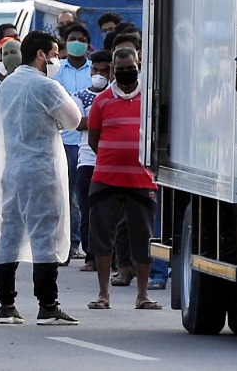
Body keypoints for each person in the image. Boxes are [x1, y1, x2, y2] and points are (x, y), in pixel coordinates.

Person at [0, 30, 83, 326]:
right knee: (45, 235)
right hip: (40, 167)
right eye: (55, 53)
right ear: (41, 54)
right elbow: (74, 120)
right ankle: (47, 304)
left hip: (12, 167)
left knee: (10, 233)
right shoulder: (47, 86)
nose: (58, 59)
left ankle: (6, 303)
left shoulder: (8, 85)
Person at [86, 47, 160, 311]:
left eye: (131, 67)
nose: (127, 72)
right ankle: (103, 294)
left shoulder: (150, 100)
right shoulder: (102, 100)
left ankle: (142, 295)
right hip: (106, 178)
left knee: (143, 239)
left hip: (142, 180)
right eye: (121, 69)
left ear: (139, 66)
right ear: (113, 71)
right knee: (102, 238)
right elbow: (94, 138)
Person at [54, 23, 93, 261]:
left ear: (88, 44)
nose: (76, 42)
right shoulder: (57, 71)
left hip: (88, 145)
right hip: (64, 141)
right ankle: (66, 245)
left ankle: (82, 242)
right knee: (64, 197)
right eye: (72, 38)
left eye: (80, 39)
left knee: (83, 197)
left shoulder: (95, 71)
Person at [74, 50, 112, 271]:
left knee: (109, 213)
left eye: (104, 71)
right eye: (96, 70)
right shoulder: (80, 96)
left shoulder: (116, 93)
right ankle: (90, 256)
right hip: (87, 161)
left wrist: (94, 120)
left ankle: (112, 256)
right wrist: (104, 118)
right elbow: (78, 123)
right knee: (88, 210)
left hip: (109, 160)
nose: (99, 74)